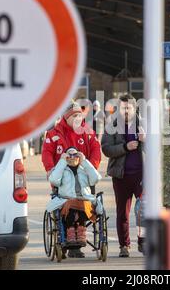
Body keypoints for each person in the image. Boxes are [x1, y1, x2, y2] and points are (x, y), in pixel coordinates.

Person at [42, 101, 101, 257]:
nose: (77, 119)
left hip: (82, 178)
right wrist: (50, 169)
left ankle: (77, 241)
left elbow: (96, 149)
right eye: (74, 116)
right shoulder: (54, 133)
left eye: (79, 115)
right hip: (62, 179)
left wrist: (91, 167)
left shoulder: (87, 132)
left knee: (82, 202)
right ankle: (66, 236)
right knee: (66, 205)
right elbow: (47, 153)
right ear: (66, 117)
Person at [101, 93, 145, 258]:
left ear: (134, 108)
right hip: (121, 175)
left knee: (144, 211)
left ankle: (143, 241)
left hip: (141, 175)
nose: (125, 111)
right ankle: (124, 246)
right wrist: (125, 147)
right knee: (122, 213)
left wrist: (146, 140)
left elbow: (158, 149)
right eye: (122, 108)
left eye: (128, 108)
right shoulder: (112, 125)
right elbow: (106, 149)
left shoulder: (144, 125)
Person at [47, 147, 102, 257]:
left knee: (82, 203)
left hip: (84, 200)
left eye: (75, 155)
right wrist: (62, 162)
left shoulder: (84, 168)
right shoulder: (62, 169)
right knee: (71, 203)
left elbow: (96, 178)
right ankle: (70, 232)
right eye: (69, 155)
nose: (72, 158)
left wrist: (85, 162)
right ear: (65, 157)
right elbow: (53, 180)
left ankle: (81, 231)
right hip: (67, 200)